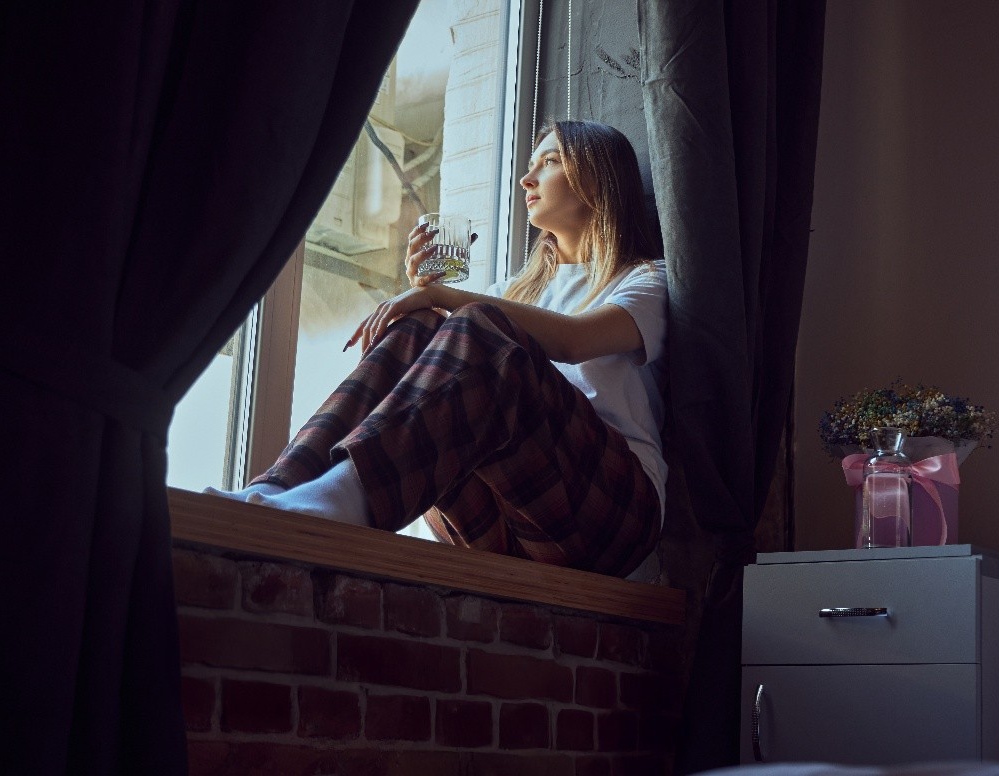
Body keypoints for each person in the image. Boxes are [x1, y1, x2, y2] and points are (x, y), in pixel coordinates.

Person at [206, 120, 666, 578]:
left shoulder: (645, 279)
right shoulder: (513, 292)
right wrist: (425, 296)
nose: (527, 179)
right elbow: (445, 366)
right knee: (420, 327)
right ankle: (278, 492)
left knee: (476, 324)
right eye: (530, 165)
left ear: (598, 176)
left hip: (612, 515)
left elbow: (574, 340)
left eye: (549, 162)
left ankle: (338, 503)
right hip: (507, 520)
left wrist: (443, 296)